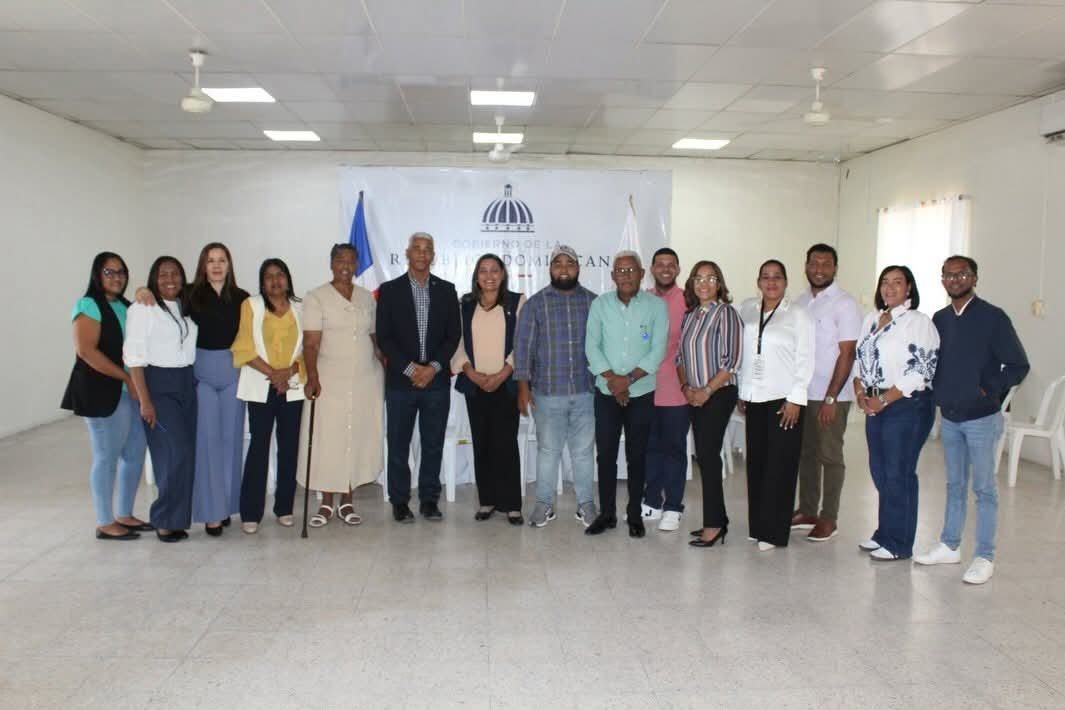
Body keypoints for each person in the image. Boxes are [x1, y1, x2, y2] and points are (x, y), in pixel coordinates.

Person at [914, 255, 1029, 584]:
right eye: (948, 275)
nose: (955, 279)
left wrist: (988, 388)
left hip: (981, 418)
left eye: (962, 274)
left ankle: (984, 556)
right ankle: (950, 545)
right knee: (954, 485)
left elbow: (1019, 365)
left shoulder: (993, 317)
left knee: (984, 489)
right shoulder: (940, 319)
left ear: (974, 277)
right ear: (942, 280)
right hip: (950, 417)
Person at [853, 265, 939, 561]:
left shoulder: (918, 322)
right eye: (885, 282)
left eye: (897, 282)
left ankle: (899, 543)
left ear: (909, 288)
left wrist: (885, 399)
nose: (889, 288)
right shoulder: (871, 319)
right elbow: (860, 361)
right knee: (880, 471)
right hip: (875, 403)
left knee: (898, 473)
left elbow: (922, 370)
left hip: (906, 405)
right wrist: (860, 392)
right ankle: (884, 533)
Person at [62, 252, 150, 540]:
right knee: (106, 456)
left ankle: (124, 514)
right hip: (101, 392)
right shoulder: (88, 305)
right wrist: (127, 378)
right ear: (97, 275)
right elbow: (86, 351)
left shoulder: (126, 306)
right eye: (109, 272)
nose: (116, 277)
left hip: (131, 392)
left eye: (121, 272)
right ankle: (104, 521)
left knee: (134, 454)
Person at [376, 233, 461, 523]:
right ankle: (400, 501)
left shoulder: (446, 290)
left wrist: (432, 368)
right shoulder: (390, 290)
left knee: (433, 443)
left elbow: (453, 336)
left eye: (427, 250)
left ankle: (429, 500)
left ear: (433, 255)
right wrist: (412, 369)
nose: (422, 254)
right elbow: (384, 337)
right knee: (398, 445)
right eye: (417, 249)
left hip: (436, 381)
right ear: (408, 253)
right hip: (401, 382)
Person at [584, 251, 668, 538]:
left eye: (631, 270)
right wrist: (614, 381)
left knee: (637, 455)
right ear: (612, 276)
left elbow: (657, 350)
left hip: (641, 392)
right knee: (606, 455)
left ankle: (634, 515)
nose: (626, 275)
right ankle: (607, 514)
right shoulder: (600, 304)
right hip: (606, 392)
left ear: (642, 274)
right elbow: (591, 346)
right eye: (620, 271)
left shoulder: (656, 307)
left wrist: (627, 381)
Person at [514, 245, 598, 529]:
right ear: (550, 268)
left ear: (578, 268)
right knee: (548, 451)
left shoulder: (593, 303)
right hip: (547, 393)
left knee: (583, 453)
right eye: (558, 264)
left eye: (569, 263)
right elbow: (523, 349)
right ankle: (544, 504)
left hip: (586, 391)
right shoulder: (535, 304)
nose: (564, 269)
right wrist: (523, 388)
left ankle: (586, 504)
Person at [301, 244, 384, 528]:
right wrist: (312, 376)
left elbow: (373, 337)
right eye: (340, 260)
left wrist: (386, 364)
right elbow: (310, 343)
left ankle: (347, 500)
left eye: (351, 261)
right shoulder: (316, 297)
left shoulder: (366, 297)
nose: (345, 266)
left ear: (357, 264)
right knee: (329, 439)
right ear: (331, 264)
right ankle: (326, 503)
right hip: (329, 380)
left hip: (365, 380)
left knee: (355, 437)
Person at [737, 260, 814, 551]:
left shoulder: (798, 315)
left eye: (777, 277)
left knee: (780, 466)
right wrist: (743, 390)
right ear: (758, 282)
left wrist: (796, 398)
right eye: (766, 277)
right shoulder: (748, 309)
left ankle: (774, 532)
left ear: (786, 282)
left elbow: (805, 358)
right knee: (756, 463)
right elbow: (744, 353)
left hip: (784, 400)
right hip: (754, 397)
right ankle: (758, 525)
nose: (771, 282)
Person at [792, 244, 862, 542]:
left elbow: (848, 352)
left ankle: (828, 517)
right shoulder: (800, 301)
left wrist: (831, 397)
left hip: (831, 395)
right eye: (814, 263)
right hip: (802, 393)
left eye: (826, 264)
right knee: (806, 454)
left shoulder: (845, 304)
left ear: (835, 268)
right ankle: (808, 509)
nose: (819, 269)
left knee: (830, 456)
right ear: (806, 266)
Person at [124, 256, 197, 543]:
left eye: (175, 274)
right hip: (159, 386)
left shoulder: (184, 306)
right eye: (163, 274)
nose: (170, 279)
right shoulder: (143, 308)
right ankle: (163, 519)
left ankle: (176, 520)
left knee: (186, 454)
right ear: (154, 278)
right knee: (173, 453)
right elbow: (134, 358)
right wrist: (145, 401)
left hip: (186, 383)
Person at [232, 259, 305, 534]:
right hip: (261, 385)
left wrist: (288, 373)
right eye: (269, 277)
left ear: (288, 278)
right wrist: (275, 374)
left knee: (289, 448)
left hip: (292, 387)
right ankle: (251, 512)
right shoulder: (251, 306)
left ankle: (284, 508)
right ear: (262, 283)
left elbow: (309, 349)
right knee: (259, 447)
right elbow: (244, 346)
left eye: (280, 275)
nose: (275, 281)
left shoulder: (301, 307)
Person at [452, 254, 526, 525]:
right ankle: (487, 500)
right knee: (481, 442)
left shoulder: (517, 302)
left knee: (506, 444)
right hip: (476, 384)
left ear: (503, 274)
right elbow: (457, 342)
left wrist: (503, 373)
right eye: (483, 271)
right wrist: (471, 373)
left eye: (494, 270)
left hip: (505, 383)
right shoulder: (465, 304)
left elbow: (522, 342)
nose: (489, 276)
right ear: (476, 276)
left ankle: (512, 504)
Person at [677, 261, 743, 548]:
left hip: (718, 394)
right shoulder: (690, 316)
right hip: (694, 394)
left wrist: (706, 390)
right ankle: (718, 519)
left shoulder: (726, 314)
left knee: (707, 455)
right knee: (705, 457)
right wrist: (686, 388)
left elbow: (732, 361)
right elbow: (680, 358)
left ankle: (714, 524)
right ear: (692, 283)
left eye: (710, 278)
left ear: (719, 284)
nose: (704, 284)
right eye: (698, 278)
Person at [187, 243, 248, 536]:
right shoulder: (189, 294)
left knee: (231, 440)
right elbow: (160, 300)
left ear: (229, 264)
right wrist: (142, 292)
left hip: (232, 371)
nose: (216, 265)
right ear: (203, 264)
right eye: (210, 260)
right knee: (207, 442)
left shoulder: (242, 298)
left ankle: (226, 507)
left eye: (221, 260)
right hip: (202, 374)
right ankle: (211, 513)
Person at [641, 247, 691, 532]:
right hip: (645, 388)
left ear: (678, 269)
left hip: (676, 389)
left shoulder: (687, 300)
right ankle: (651, 501)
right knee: (650, 448)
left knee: (674, 449)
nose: (665, 268)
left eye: (671, 264)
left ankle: (673, 506)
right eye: (660, 264)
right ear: (652, 269)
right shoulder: (642, 299)